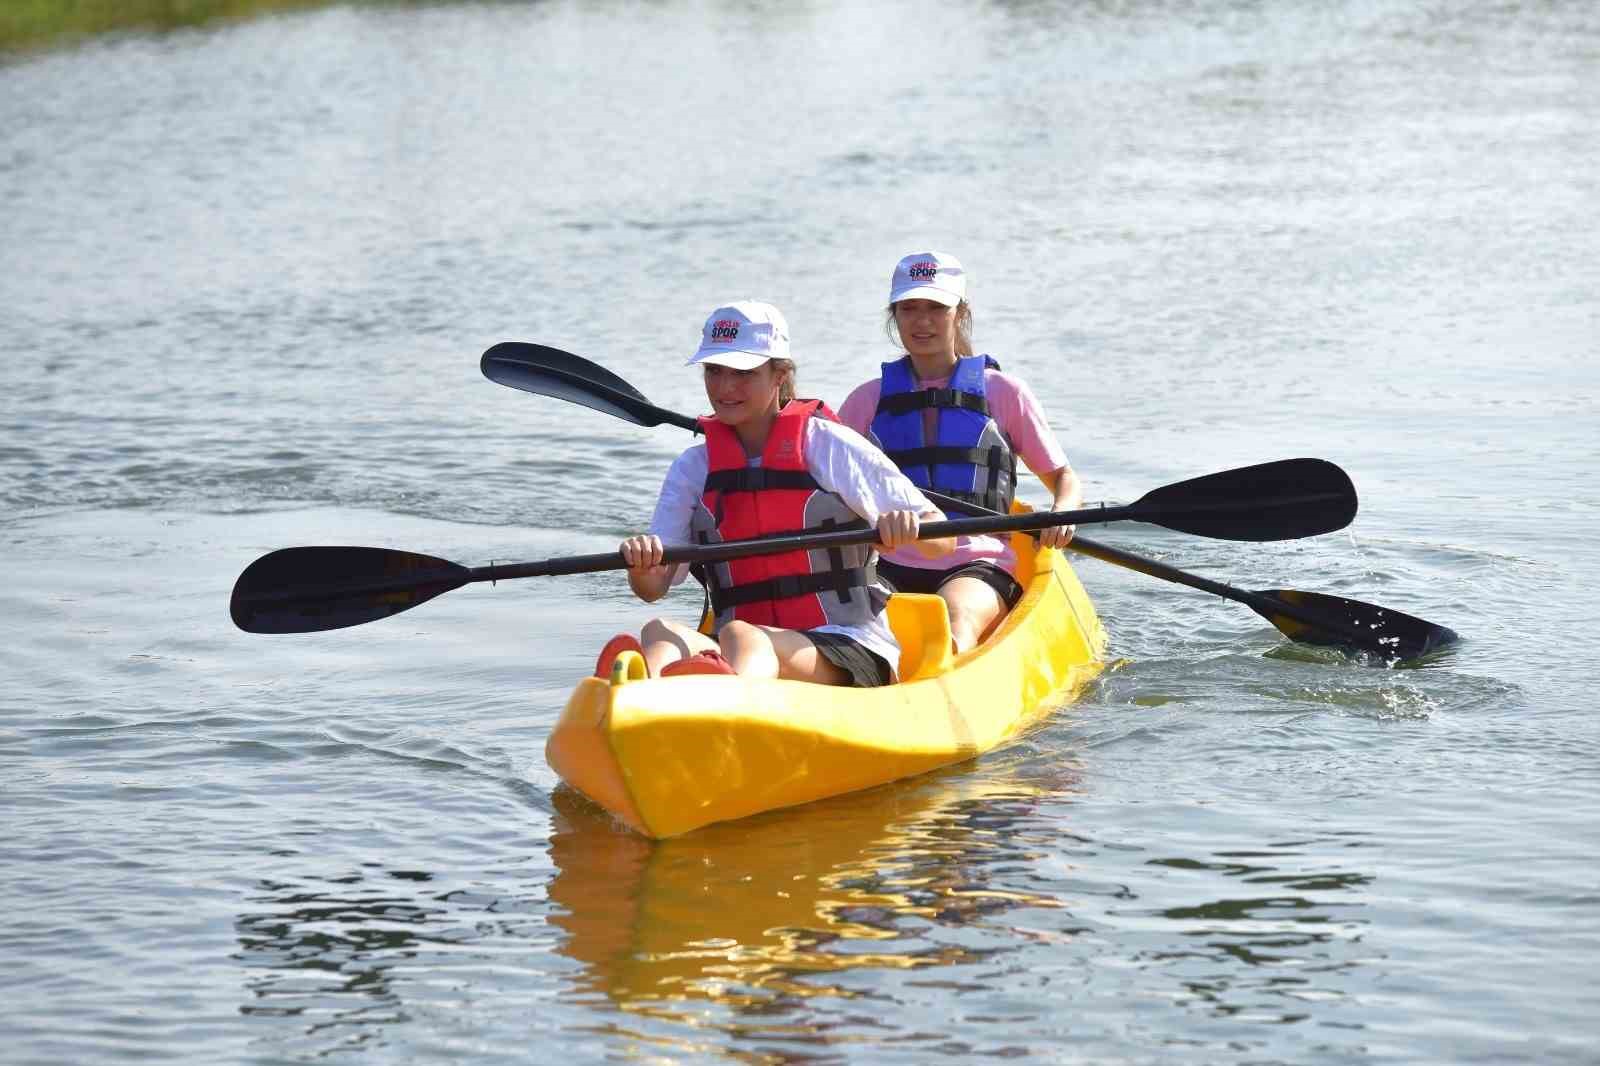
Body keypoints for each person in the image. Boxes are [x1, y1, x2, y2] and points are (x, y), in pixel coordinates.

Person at [596, 300, 954, 685]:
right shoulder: (692, 468)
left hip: (846, 645)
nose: (725, 387)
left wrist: (906, 526)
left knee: (739, 634)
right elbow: (652, 590)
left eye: (743, 372)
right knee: (658, 631)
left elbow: (943, 538)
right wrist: (643, 567)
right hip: (746, 646)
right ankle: (639, 694)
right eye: (714, 371)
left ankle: (723, 700)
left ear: (780, 374)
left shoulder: (829, 446)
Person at [837, 251, 1080, 654]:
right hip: (888, 564)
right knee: (852, 632)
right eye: (909, 308)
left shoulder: (1003, 392)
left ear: (960, 312)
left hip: (978, 563)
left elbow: (1063, 478)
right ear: (893, 315)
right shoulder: (867, 401)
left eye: (936, 307)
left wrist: (1062, 511)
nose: (922, 321)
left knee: (956, 620)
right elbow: (827, 489)